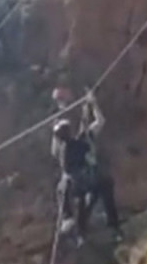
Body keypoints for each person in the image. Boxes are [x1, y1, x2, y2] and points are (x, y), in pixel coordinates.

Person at [51, 86, 123, 246]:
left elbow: (99, 122)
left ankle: (94, 228)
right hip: (85, 181)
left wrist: (92, 104)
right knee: (86, 200)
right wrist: (91, 104)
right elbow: (55, 149)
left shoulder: (81, 138)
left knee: (86, 198)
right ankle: (82, 230)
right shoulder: (68, 145)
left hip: (85, 180)